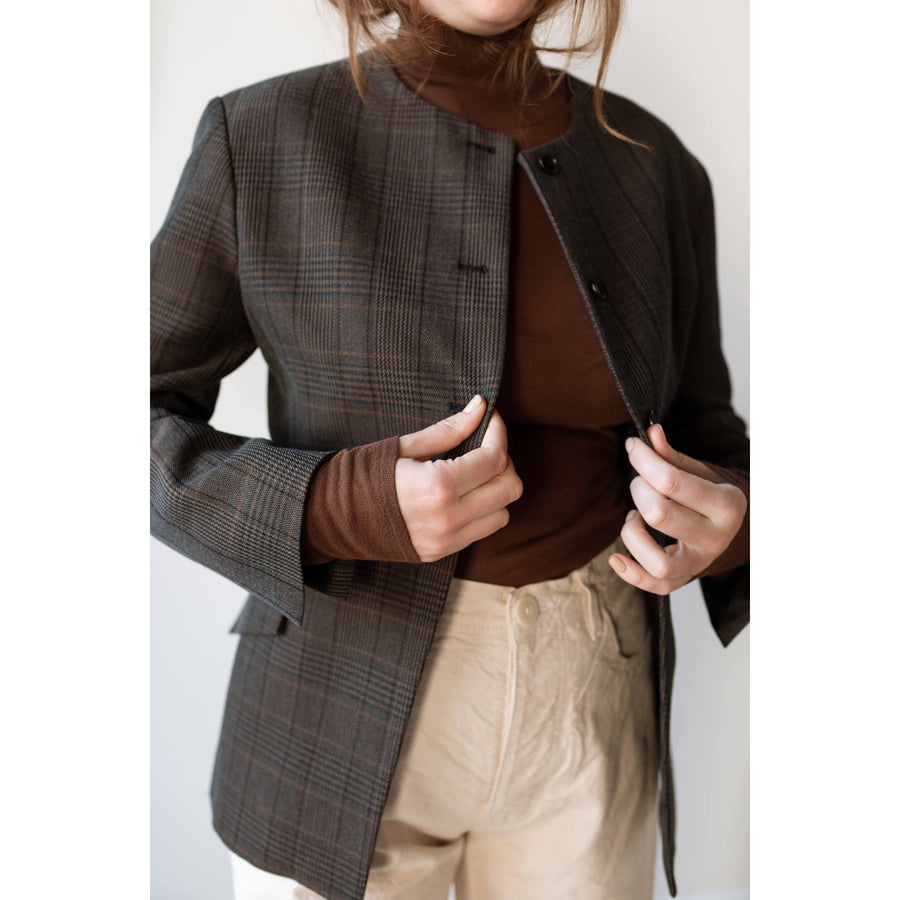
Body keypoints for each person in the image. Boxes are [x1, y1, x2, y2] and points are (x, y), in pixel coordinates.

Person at [150, 0, 750, 898]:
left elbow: (705, 430)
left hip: (594, 706)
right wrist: (333, 504)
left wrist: (736, 522)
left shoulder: (652, 162)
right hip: (331, 714)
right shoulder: (263, 136)